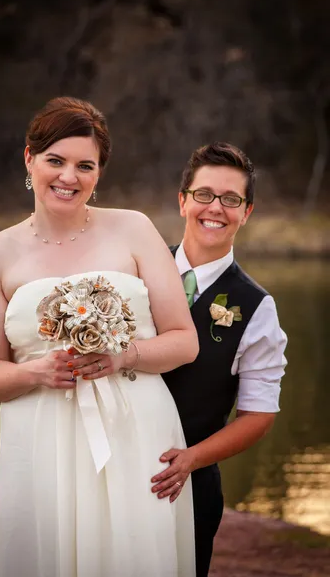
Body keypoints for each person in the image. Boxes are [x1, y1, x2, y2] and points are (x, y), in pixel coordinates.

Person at [0, 96, 199, 577]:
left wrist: (122, 356)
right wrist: (36, 371)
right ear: (29, 159)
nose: (68, 177)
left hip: (136, 428)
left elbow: (184, 341)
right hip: (40, 436)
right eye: (56, 160)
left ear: (98, 174)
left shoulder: (134, 229)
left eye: (84, 165)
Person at [149, 142, 287, 576]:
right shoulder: (133, 272)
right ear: (183, 200)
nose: (216, 208)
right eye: (205, 194)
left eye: (232, 199)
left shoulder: (257, 307)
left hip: (186, 488)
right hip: (104, 468)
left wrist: (191, 459)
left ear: (246, 212)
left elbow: (258, 415)